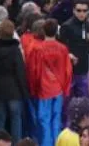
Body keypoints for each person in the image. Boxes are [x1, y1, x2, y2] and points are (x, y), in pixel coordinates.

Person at [28, 18, 73, 146]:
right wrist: (65, 87)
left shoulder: (37, 49)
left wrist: (33, 88)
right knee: (56, 119)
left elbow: (34, 71)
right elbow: (67, 70)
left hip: (44, 88)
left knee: (44, 120)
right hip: (58, 87)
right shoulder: (63, 48)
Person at [0, 19, 28, 142]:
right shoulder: (15, 50)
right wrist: (24, 91)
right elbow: (20, 72)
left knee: (0, 119)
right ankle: (17, 143)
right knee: (16, 119)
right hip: (14, 89)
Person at [60, 0, 89, 100]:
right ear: (74, 10)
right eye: (79, 10)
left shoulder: (88, 25)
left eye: (84, 11)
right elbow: (62, 47)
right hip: (70, 70)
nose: (81, 13)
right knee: (68, 101)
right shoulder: (66, 26)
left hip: (83, 68)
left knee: (84, 100)